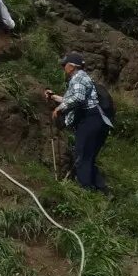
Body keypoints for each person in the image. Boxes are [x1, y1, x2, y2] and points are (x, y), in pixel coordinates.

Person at [48, 52, 111, 191]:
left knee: (81, 154)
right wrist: (54, 97)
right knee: (88, 155)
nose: (63, 68)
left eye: (64, 65)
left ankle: (86, 188)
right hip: (97, 120)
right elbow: (75, 98)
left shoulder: (78, 78)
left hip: (89, 120)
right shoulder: (83, 78)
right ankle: (102, 189)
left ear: (71, 67)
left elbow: (78, 98)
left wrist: (59, 109)